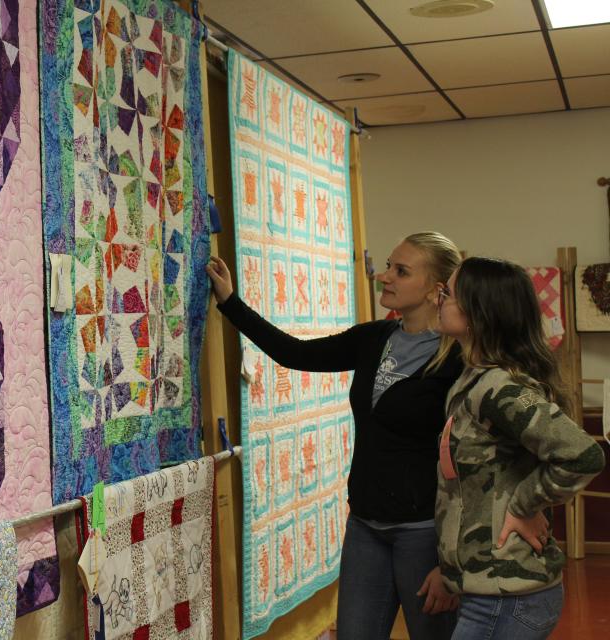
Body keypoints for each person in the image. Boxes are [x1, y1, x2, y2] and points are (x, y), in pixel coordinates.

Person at [207, 232, 463, 639]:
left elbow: (479, 461)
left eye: (401, 271)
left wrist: (453, 564)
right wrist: (230, 303)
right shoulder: (374, 338)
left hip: (424, 534)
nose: (384, 276)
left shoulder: (460, 358)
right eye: (388, 266)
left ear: (435, 290)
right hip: (365, 525)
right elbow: (295, 353)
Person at [434, 257, 605, 640]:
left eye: (448, 294)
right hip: (485, 590)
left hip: (507, 596)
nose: (439, 300)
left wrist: (524, 504)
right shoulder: (472, 379)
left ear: (479, 312)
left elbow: (583, 454)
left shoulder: (500, 388)